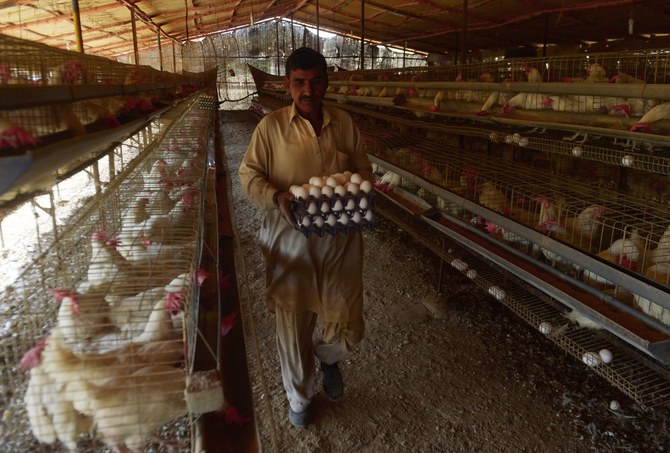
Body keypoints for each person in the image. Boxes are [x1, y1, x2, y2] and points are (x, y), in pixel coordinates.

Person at [238, 47, 373, 428]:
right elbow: (248, 176)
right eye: (299, 83)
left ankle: (328, 357)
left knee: (349, 326)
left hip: (340, 244)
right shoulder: (271, 128)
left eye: (315, 82)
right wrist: (276, 197)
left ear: (326, 82)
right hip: (291, 247)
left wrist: (355, 189)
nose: (308, 90)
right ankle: (299, 398)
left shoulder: (344, 123)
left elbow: (363, 170)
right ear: (288, 85)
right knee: (293, 330)